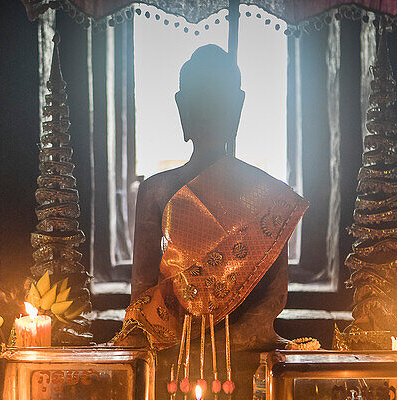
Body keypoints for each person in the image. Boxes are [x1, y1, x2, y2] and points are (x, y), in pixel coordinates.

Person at [116, 45, 307, 351]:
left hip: (246, 349)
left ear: (238, 108)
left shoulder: (272, 195)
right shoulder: (155, 190)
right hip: (173, 349)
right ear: (182, 108)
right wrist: (182, 342)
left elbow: (275, 297)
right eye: (199, 103)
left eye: (219, 104)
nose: (209, 113)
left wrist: (223, 345)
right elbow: (142, 294)